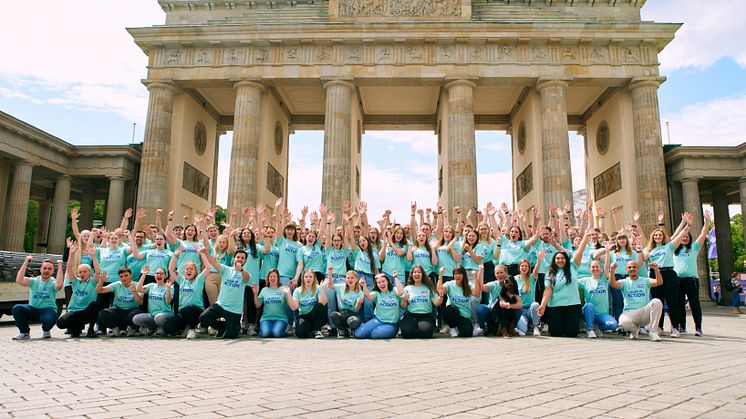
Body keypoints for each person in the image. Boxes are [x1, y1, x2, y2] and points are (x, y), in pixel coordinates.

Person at [643, 210, 689, 337]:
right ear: (652, 237)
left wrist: (687, 224)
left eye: (660, 235)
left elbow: (680, 235)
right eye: (655, 235)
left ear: (663, 237)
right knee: (657, 302)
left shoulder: (669, 246)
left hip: (668, 274)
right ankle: (659, 327)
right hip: (654, 274)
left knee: (672, 302)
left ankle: (675, 328)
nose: (658, 236)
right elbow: (642, 255)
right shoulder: (649, 250)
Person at [537, 229, 588, 338]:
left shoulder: (573, 266)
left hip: (572, 305)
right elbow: (548, 289)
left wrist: (586, 236)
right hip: (555, 306)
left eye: (562, 258)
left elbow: (580, 251)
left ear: (566, 259)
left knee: (571, 333)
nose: (560, 260)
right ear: (554, 260)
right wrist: (543, 305)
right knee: (556, 333)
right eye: (557, 258)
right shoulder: (550, 272)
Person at [198, 249, 251, 339]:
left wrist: (241, 269)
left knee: (231, 335)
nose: (240, 259)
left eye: (242, 258)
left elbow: (247, 278)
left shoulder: (245, 274)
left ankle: (235, 326)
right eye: (238, 257)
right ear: (234, 259)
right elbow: (214, 263)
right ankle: (222, 327)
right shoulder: (226, 270)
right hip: (221, 305)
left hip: (234, 310)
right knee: (203, 317)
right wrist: (206, 253)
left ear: (245, 261)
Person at [674, 211, 710, 335]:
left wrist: (707, 221)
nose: (684, 238)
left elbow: (703, 234)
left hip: (691, 280)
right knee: (679, 305)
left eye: (687, 237)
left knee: (694, 303)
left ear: (689, 239)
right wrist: (684, 223)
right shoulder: (674, 249)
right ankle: (682, 326)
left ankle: (698, 327)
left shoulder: (693, 247)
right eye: (683, 236)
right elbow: (674, 237)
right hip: (678, 280)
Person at [609, 261, 664, 341]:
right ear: (626, 269)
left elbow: (659, 282)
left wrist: (656, 270)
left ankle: (653, 332)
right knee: (622, 322)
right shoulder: (624, 282)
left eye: (634, 267)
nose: (632, 269)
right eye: (629, 267)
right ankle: (634, 330)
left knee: (657, 301)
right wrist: (612, 271)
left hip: (644, 312)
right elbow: (613, 284)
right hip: (630, 313)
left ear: (638, 268)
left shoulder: (645, 281)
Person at [12, 256, 64, 340]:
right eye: (45, 268)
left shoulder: (53, 282)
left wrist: (60, 266)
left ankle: (46, 330)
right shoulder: (34, 281)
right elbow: (19, 280)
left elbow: (59, 285)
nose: (47, 270)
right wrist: (26, 262)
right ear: (41, 269)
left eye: (49, 269)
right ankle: (24, 333)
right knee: (17, 308)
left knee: (51, 318)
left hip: (47, 310)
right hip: (32, 309)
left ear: (53, 271)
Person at [164, 247, 210, 339]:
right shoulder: (181, 280)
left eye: (191, 269)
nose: (189, 270)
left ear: (195, 271)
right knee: (167, 328)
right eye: (187, 269)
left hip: (197, 311)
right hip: (183, 311)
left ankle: (192, 329)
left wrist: (202, 253)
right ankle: (184, 327)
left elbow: (208, 267)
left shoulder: (199, 279)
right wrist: (175, 255)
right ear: (184, 271)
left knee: (190, 308)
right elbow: (171, 269)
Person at [56, 242, 100, 338]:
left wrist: (93, 256)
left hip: (86, 312)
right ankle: (77, 327)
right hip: (74, 312)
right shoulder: (75, 282)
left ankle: (91, 329)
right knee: (60, 323)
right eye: (80, 272)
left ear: (89, 273)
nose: (82, 273)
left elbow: (98, 271)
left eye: (84, 271)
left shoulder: (93, 282)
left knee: (95, 305)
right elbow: (69, 269)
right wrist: (71, 254)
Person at [578, 255, 618, 338]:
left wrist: (607, 251)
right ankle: (590, 329)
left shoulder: (604, 279)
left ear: (601, 269)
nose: (595, 268)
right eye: (593, 267)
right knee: (589, 305)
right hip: (588, 312)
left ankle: (597, 328)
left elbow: (607, 267)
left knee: (613, 325)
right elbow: (572, 282)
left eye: (597, 267)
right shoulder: (585, 280)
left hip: (602, 314)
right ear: (589, 269)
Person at [96, 267, 144, 337]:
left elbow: (140, 302)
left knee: (137, 314)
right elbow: (99, 290)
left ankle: (131, 328)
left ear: (131, 275)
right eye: (121, 276)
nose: (123, 278)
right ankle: (115, 328)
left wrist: (134, 291)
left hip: (131, 311)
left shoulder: (137, 285)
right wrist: (101, 281)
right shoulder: (117, 284)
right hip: (118, 311)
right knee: (103, 313)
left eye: (126, 275)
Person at [356, 272, 404, 339]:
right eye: (379, 282)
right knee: (359, 334)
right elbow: (368, 296)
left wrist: (395, 277)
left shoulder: (394, 290)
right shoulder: (376, 293)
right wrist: (364, 285)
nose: (381, 284)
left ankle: (387, 331)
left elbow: (401, 292)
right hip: (378, 320)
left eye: (383, 281)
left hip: (391, 324)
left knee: (375, 334)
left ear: (387, 281)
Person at [400, 265, 443, 339]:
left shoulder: (429, 288)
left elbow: (436, 303)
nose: (417, 274)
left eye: (419, 272)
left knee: (426, 334)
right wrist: (404, 300)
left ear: (423, 274)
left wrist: (441, 297)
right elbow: (403, 306)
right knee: (407, 334)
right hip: (411, 315)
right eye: (415, 272)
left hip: (426, 316)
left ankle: (418, 329)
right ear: (412, 274)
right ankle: (414, 329)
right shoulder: (407, 288)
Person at [438, 266, 481, 337]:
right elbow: (440, 290)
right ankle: (452, 327)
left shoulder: (468, 285)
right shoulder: (450, 284)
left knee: (467, 334)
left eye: (460, 274)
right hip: (454, 313)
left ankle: (459, 328)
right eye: (455, 274)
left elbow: (477, 293)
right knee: (448, 310)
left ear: (464, 275)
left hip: (465, 315)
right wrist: (440, 274)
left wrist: (475, 277)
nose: (457, 276)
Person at [133, 266, 174, 336]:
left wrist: (168, 289)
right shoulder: (151, 285)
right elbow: (139, 289)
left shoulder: (170, 287)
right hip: (152, 315)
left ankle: (162, 328)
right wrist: (144, 274)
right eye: (157, 273)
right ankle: (153, 328)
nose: (159, 275)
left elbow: (168, 300)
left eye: (161, 273)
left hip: (165, 315)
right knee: (136, 319)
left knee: (159, 318)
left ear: (165, 276)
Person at [289, 269, 328, 339]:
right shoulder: (297, 291)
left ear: (314, 278)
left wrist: (322, 289)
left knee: (319, 305)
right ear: (303, 278)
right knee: (300, 333)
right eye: (306, 277)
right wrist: (287, 294)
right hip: (304, 316)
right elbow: (295, 307)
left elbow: (323, 303)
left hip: (316, 316)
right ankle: (311, 331)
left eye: (310, 276)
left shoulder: (318, 288)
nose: (308, 279)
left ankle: (318, 330)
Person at [253, 269, 291, 338]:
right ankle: (266, 330)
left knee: (277, 333)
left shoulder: (283, 289)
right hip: (266, 318)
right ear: (268, 278)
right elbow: (257, 305)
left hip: (280, 319)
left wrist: (288, 294)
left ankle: (285, 331)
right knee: (265, 333)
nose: (272, 278)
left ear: (278, 278)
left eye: (275, 276)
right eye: (270, 276)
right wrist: (255, 294)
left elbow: (290, 305)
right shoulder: (264, 290)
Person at [328, 270, 364, 338]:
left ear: (356, 279)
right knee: (333, 315)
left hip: (352, 314)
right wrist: (330, 273)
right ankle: (342, 330)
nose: (350, 280)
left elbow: (356, 309)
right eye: (348, 278)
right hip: (342, 313)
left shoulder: (359, 292)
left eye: (352, 278)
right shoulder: (341, 287)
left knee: (353, 321)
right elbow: (330, 285)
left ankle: (352, 330)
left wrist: (358, 304)